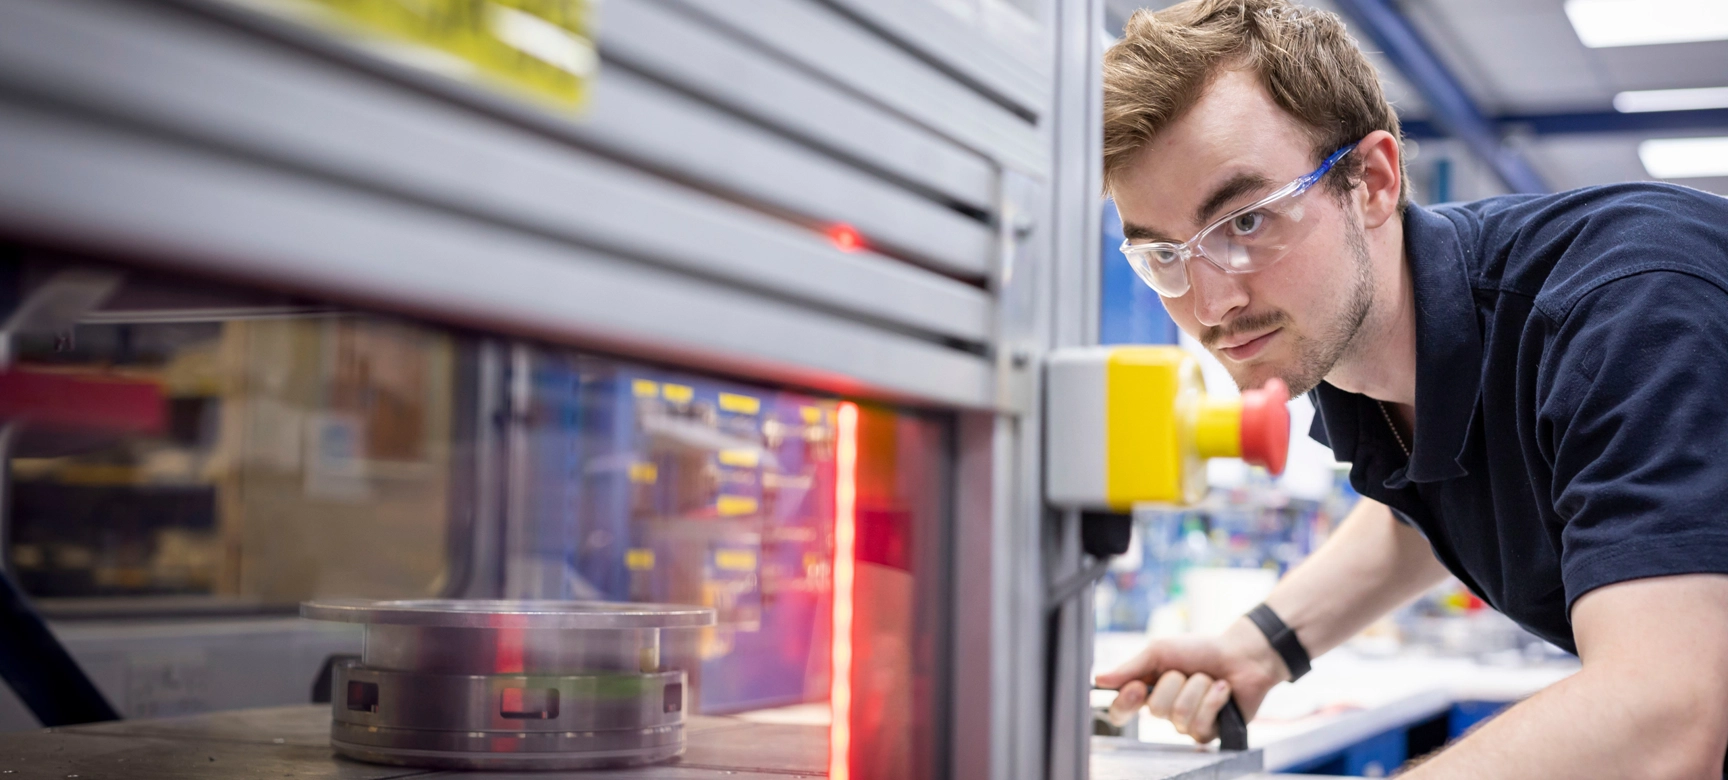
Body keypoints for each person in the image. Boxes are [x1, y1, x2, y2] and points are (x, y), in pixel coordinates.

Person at [1093, 1, 1728, 776]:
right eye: (1164, 256)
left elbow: (1668, 713)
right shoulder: (1356, 350)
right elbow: (1429, 501)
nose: (1210, 304)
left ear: (1373, 181)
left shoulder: (1624, 309)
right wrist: (1258, 647)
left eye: (1247, 223)